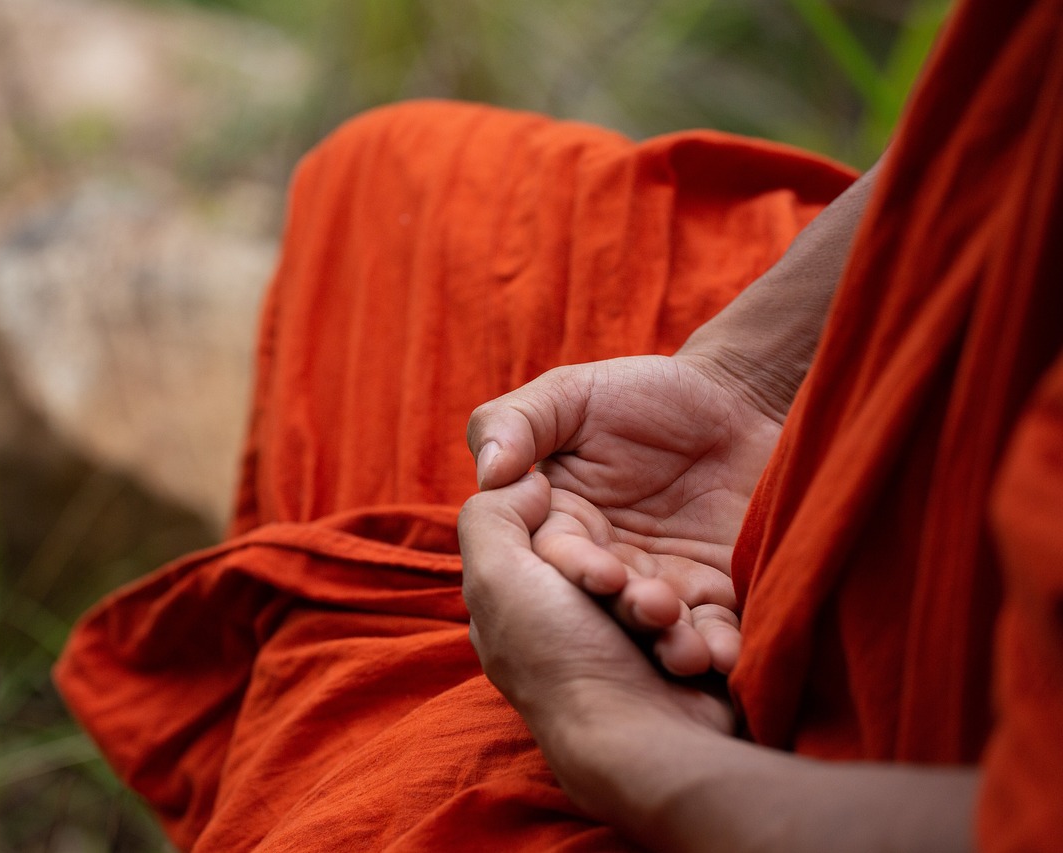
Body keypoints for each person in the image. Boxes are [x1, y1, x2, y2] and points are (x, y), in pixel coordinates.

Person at [55, 0, 1062, 849]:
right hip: (961, 366)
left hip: (905, 753)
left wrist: (616, 744)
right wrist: (746, 376)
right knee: (404, 182)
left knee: (380, 787)